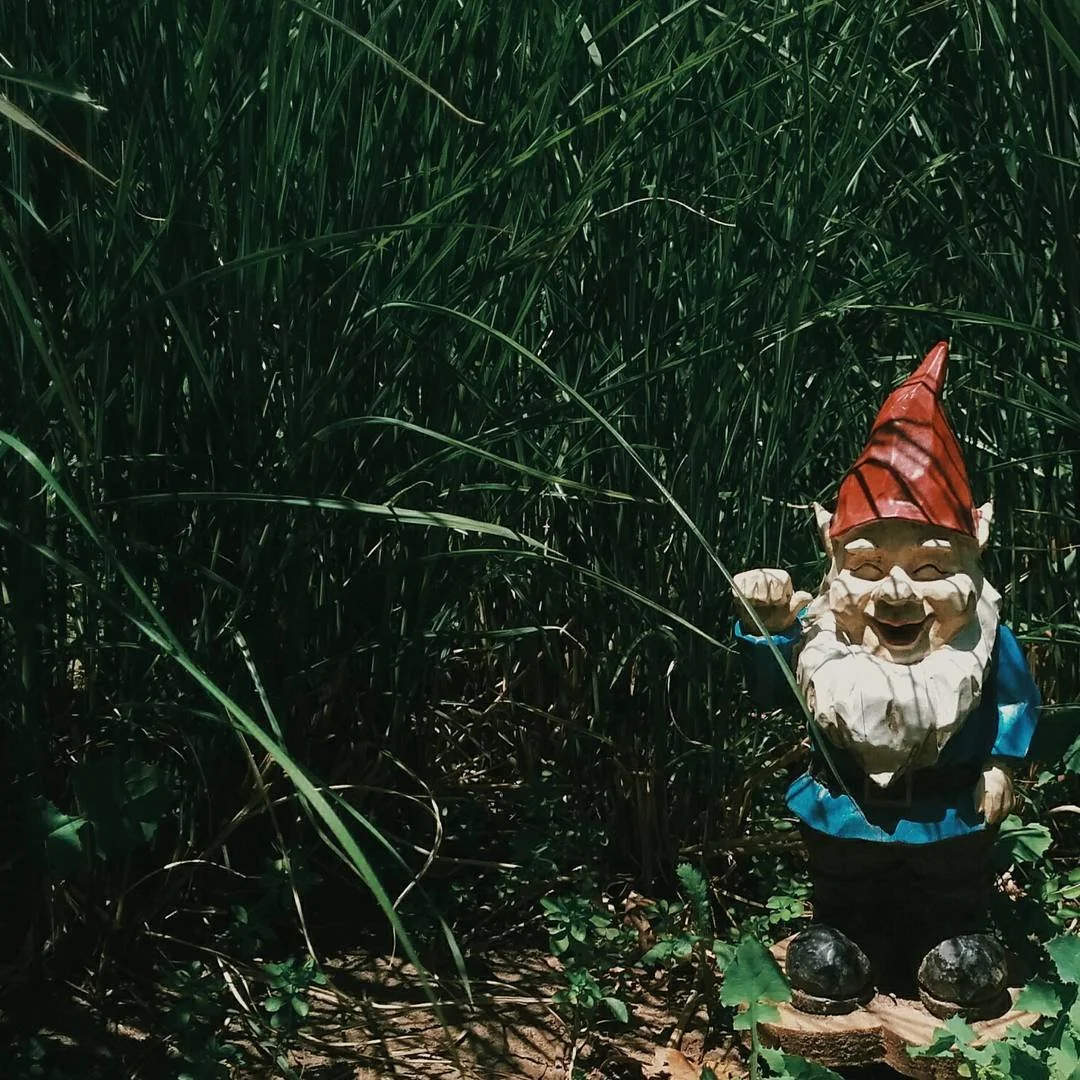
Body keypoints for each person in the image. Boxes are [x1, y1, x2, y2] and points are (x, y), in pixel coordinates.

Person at [732, 342, 1040, 1019]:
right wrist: (768, 629)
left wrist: (1000, 762)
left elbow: (1015, 700)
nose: (897, 595)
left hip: (947, 811)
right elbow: (769, 692)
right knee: (848, 884)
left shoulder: (984, 641)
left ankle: (950, 940)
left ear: (976, 549)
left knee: (949, 886)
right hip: (846, 810)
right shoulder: (818, 637)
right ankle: (844, 936)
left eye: (930, 570)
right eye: (869, 569)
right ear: (832, 554)